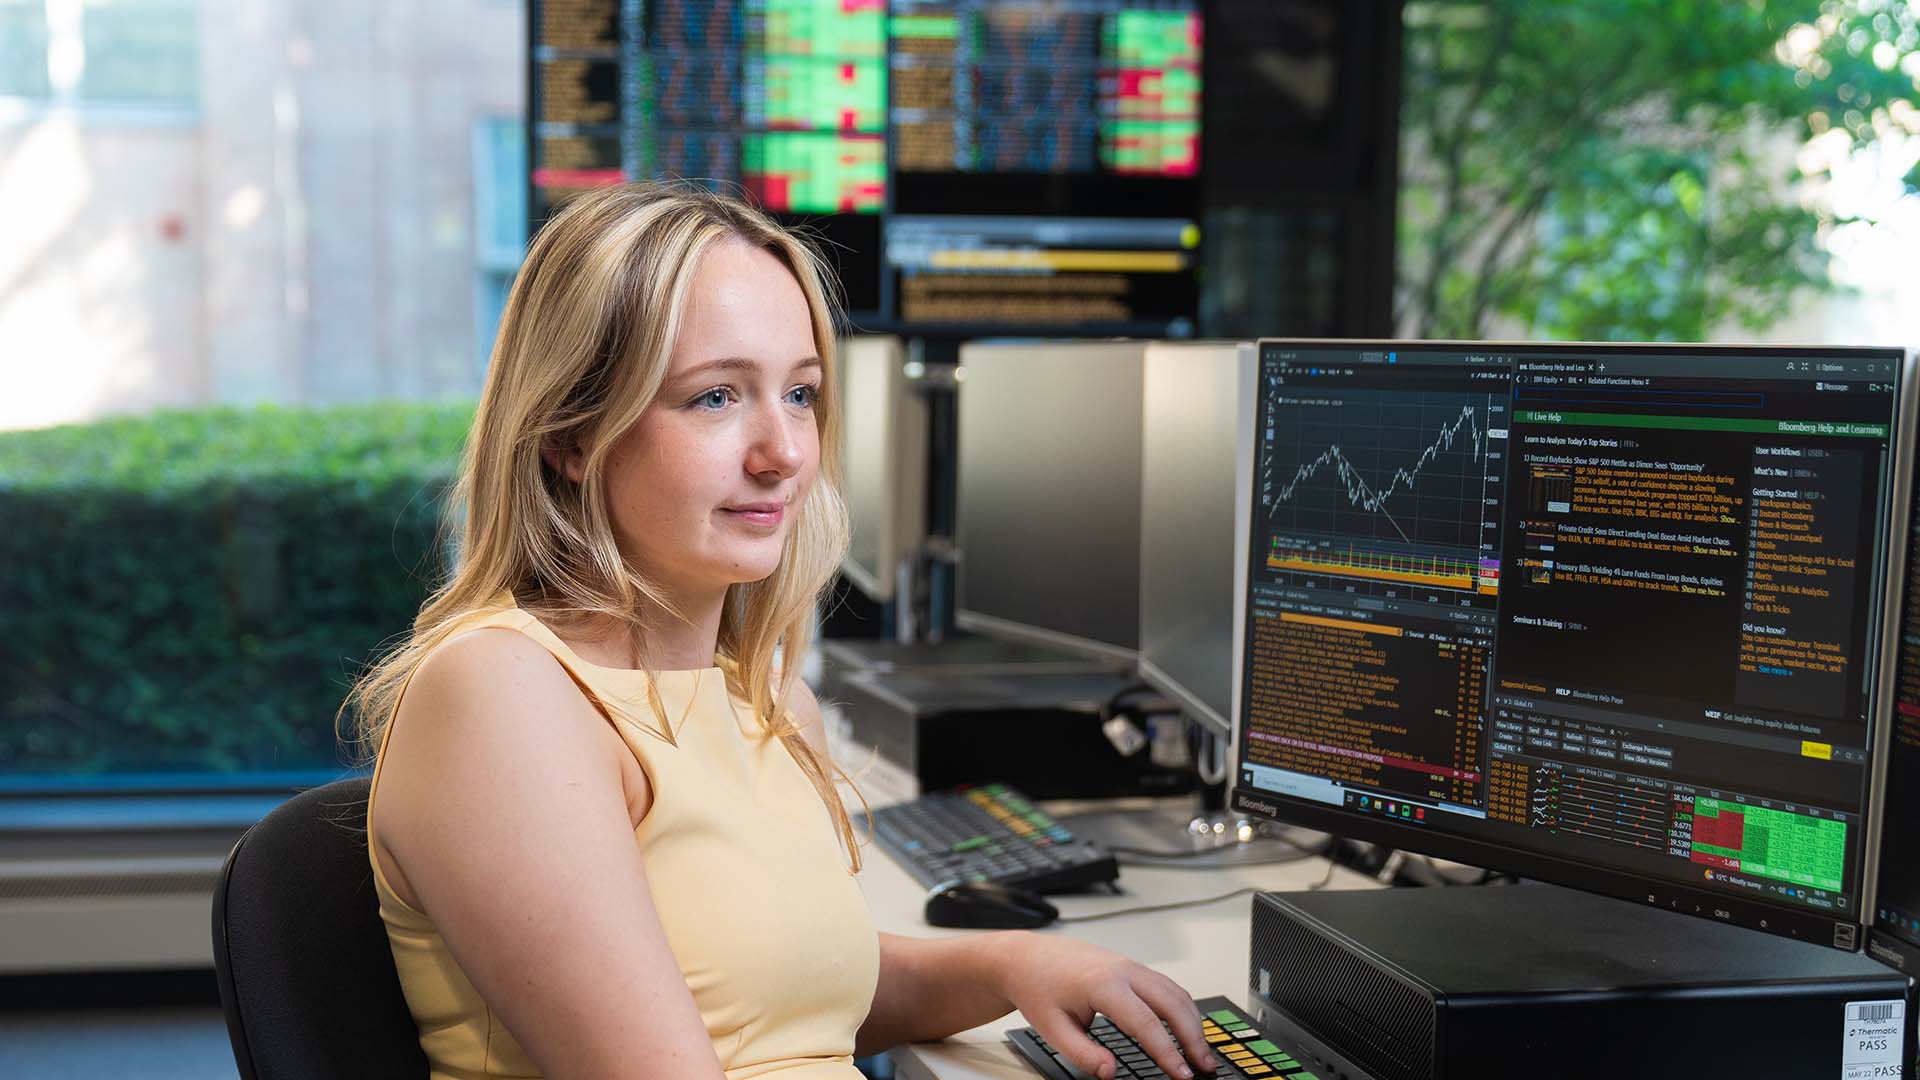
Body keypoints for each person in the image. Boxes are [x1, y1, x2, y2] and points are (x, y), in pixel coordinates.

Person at [341, 181, 1220, 1080]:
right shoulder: (504, 694)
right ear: (569, 434)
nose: (785, 453)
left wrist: (1015, 962)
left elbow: (788, 990)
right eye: (716, 397)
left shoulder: (762, 698)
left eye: (799, 394)